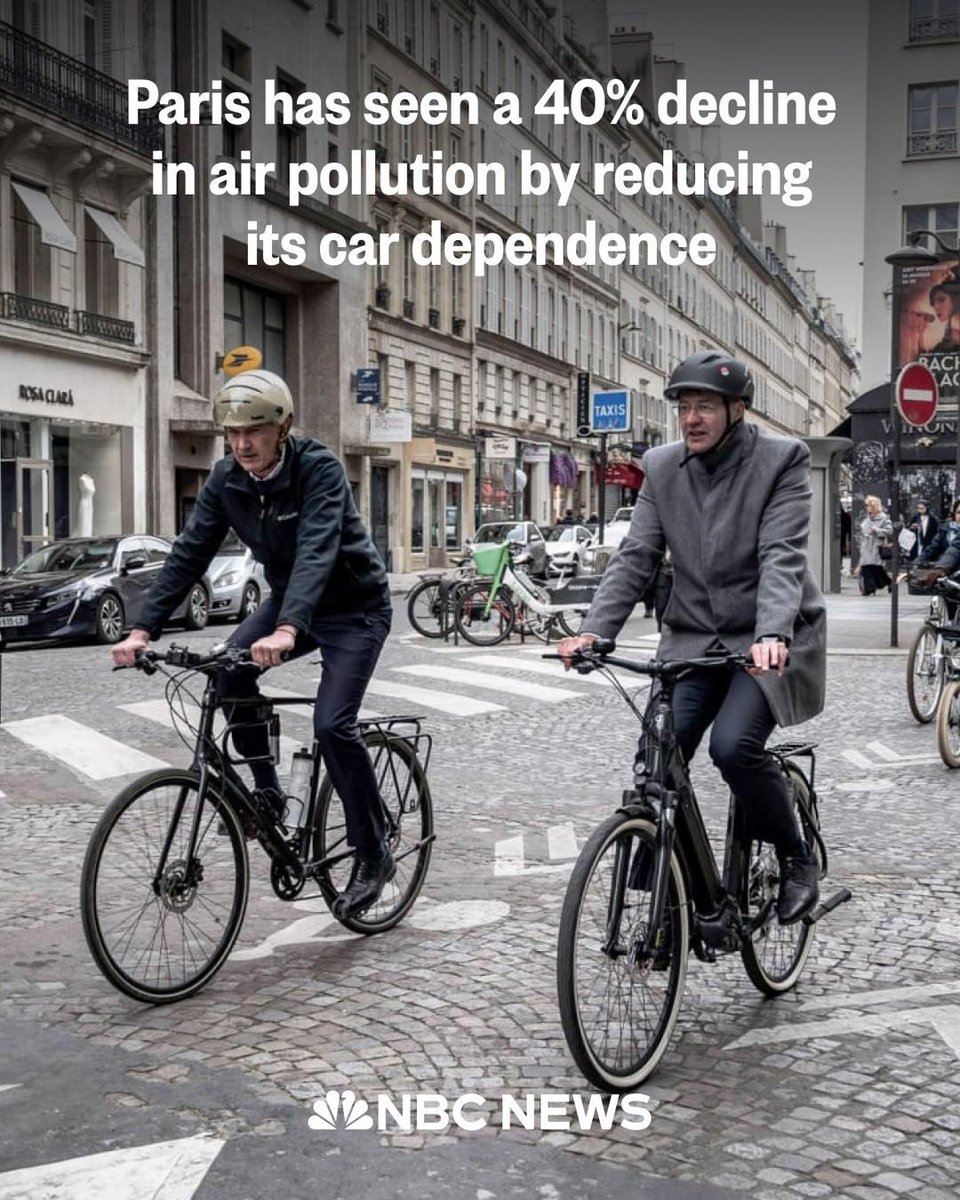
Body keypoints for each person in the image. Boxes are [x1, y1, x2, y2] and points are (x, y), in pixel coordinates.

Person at [110, 370, 394, 919]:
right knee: (228, 672)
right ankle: (268, 794)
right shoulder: (227, 479)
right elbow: (188, 554)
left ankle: (373, 853)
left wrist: (287, 630)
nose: (242, 444)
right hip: (290, 603)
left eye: (254, 431)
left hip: (354, 607)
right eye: (233, 433)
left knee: (333, 725)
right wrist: (142, 629)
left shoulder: (319, 469)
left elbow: (317, 549)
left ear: (282, 428)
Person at [557, 350, 826, 925]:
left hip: (764, 641)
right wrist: (593, 632)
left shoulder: (781, 460)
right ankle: (682, 889)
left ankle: (796, 857)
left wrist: (772, 631)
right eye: (683, 407)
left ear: (737, 409)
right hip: (693, 641)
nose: (691, 419)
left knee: (733, 746)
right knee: (658, 756)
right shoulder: (661, 467)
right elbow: (636, 556)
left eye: (705, 406)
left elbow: (781, 556)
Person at [852, 495, 893, 595]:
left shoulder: (883, 518)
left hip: (876, 546)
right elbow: (863, 529)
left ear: (874, 506)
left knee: (875, 567)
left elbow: (890, 531)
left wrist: (878, 530)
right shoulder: (867, 517)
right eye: (867, 506)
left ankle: (887, 583)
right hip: (866, 546)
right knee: (866, 567)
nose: (867, 507)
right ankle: (870, 589)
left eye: (868, 505)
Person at [929, 282, 960, 353]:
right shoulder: (949, 335)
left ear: (956, 298)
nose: (936, 307)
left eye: (941, 300)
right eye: (933, 303)